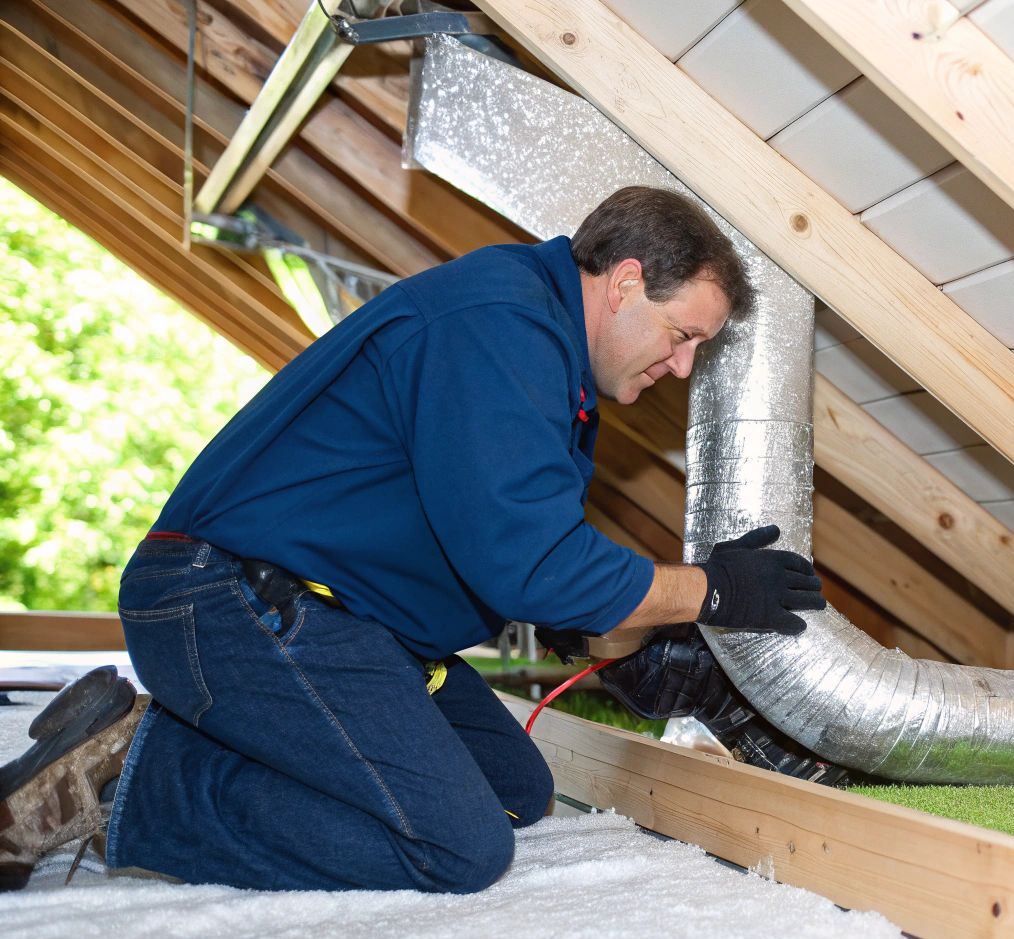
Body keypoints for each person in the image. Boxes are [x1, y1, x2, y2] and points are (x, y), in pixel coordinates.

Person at [0, 186, 828, 893]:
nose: (681, 369)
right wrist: (711, 589)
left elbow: (486, 544)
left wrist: (613, 626)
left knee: (512, 788)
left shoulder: (541, 356)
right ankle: (129, 787)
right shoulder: (501, 327)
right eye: (683, 336)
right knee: (455, 845)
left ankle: (171, 737)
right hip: (227, 598)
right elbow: (535, 562)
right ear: (625, 282)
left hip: (335, 617)